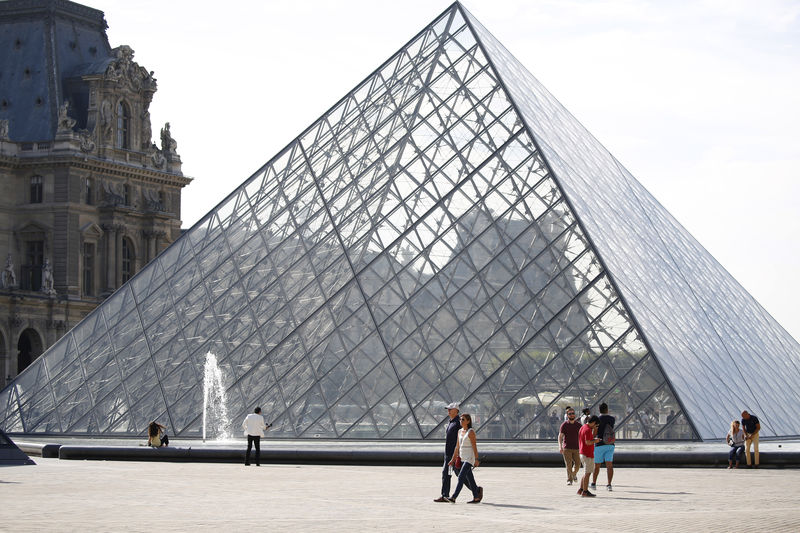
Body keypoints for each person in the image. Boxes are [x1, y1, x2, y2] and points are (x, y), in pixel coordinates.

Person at [434, 402, 471, 502]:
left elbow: (461, 439)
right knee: (446, 473)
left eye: (450, 409)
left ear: (456, 411)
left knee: (460, 474)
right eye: (448, 409)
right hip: (448, 454)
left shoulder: (458, 423)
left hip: (454, 454)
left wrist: (457, 454)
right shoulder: (451, 422)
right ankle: (445, 495)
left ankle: (476, 489)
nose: (448, 411)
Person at [446, 413, 483, 503]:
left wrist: (476, 459)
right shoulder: (459, 431)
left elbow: (474, 446)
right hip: (462, 457)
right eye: (460, 419)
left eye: (463, 420)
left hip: (469, 458)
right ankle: (476, 497)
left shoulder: (471, 432)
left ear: (468, 421)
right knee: (470, 478)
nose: (461, 421)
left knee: (461, 477)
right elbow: (457, 447)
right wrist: (453, 459)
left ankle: (454, 497)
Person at [591, 402, 616, 491]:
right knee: (609, 465)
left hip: (599, 444)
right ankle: (609, 485)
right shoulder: (612, 419)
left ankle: (594, 483)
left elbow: (594, 432)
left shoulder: (597, 419)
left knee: (597, 465)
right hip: (610, 444)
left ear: (599, 410)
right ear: (607, 409)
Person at [578, 415, 601, 497]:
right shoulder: (587, 430)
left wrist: (595, 430)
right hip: (587, 454)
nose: (596, 427)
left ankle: (581, 489)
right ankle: (585, 491)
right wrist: (596, 441)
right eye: (596, 425)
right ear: (594, 423)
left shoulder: (583, 427)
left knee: (585, 472)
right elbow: (588, 442)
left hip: (582, 453)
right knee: (587, 473)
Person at [558, 407, 582, 485]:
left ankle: (574, 474)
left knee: (578, 464)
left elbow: (582, 436)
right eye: (570, 414)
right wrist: (560, 446)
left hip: (577, 448)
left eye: (573, 413)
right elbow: (560, 436)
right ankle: (569, 479)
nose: (572, 415)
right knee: (568, 464)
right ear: (567, 415)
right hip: (567, 447)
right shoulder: (564, 425)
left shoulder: (578, 425)